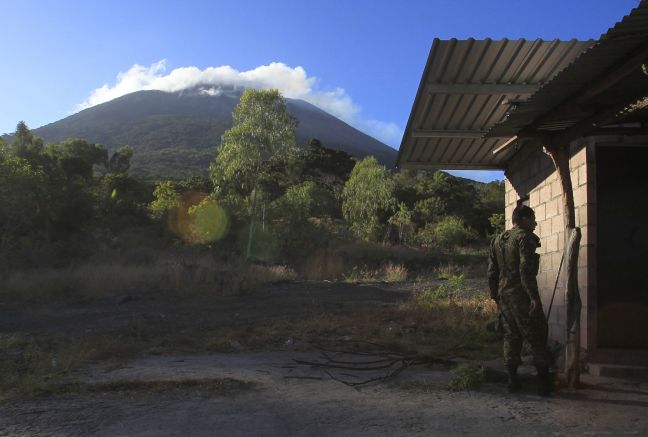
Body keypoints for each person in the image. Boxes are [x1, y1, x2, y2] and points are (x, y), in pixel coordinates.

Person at [488, 204, 553, 395]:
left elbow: (492, 272)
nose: (535, 223)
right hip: (521, 296)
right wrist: (533, 296)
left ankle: (512, 381)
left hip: (504, 296)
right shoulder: (525, 238)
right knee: (537, 335)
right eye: (533, 219)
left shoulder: (497, 239)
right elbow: (526, 269)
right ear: (524, 219)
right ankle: (543, 384)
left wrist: (495, 296)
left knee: (511, 337)